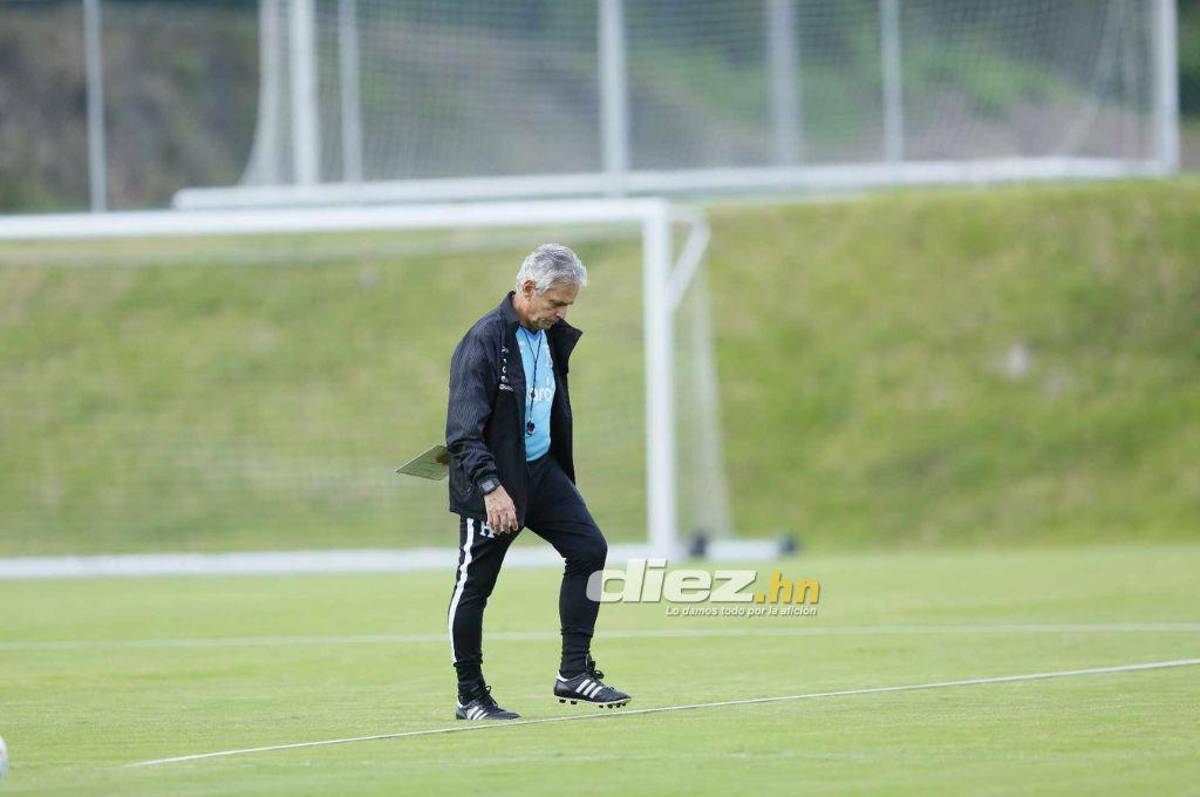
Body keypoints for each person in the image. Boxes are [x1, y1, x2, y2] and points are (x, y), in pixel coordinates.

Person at [444, 243, 631, 720]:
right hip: (495, 481)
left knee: (589, 550)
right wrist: (491, 487)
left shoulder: (550, 335)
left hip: (543, 472)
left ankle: (574, 673)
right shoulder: (484, 340)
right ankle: (470, 696)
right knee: (475, 586)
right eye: (556, 303)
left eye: (568, 304)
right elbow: (462, 432)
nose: (562, 313)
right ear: (528, 288)